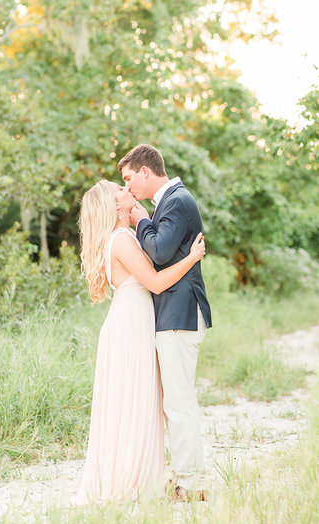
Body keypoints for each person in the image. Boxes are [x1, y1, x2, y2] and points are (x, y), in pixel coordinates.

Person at [74, 179, 205, 504]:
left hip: (132, 321)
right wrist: (192, 257)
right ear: (114, 204)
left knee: (134, 402)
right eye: (118, 188)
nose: (125, 189)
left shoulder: (122, 237)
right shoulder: (120, 240)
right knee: (133, 401)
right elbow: (157, 283)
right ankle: (129, 482)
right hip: (131, 326)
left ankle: (138, 476)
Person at [118, 144, 212, 501]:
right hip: (173, 313)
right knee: (173, 400)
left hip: (180, 313)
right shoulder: (168, 202)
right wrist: (144, 219)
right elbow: (162, 251)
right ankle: (186, 473)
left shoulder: (176, 200)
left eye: (129, 179)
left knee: (178, 401)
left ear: (145, 171)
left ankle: (192, 481)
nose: (127, 188)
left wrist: (138, 219)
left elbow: (157, 252)